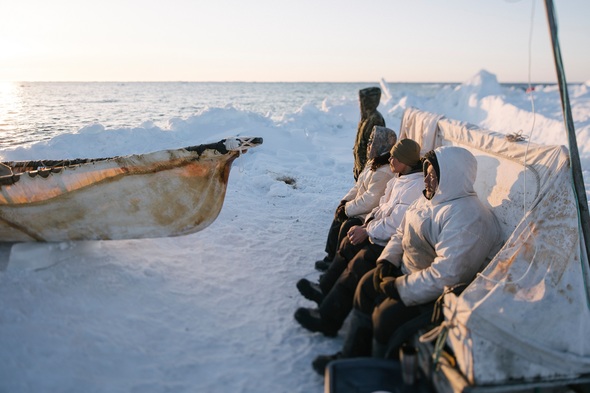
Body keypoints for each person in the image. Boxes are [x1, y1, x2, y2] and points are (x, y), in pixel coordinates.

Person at [311, 146, 503, 375]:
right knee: (365, 286)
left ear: (453, 177)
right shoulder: (430, 200)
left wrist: (399, 287)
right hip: (407, 272)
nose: (428, 181)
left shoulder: (468, 217)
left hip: (435, 295)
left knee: (385, 317)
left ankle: (376, 372)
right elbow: (402, 232)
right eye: (427, 173)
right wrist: (387, 262)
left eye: (434, 176)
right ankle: (352, 356)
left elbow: (447, 274)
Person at [295, 139, 425, 338]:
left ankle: (328, 319)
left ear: (405, 161)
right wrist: (365, 226)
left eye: (395, 157)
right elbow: (381, 207)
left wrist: (367, 231)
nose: (390, 158)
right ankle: (325, 291)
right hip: (380, 234)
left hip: (393, 244)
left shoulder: (413, 186)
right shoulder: (400, 178)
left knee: (360, 263)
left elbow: (395, 224)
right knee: (349, 242)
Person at [315, 126, 398, 271]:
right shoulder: (374, 162)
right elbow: (357, 187)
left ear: (381, 145)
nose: (368, 144)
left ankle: (338, 264)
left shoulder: (384, 171)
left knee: (347, 225)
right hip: (360, 207)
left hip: (368, 213)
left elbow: (370, 200)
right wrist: (344, 202)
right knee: (338, 218)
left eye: (372, 141)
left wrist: (347, 210)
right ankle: (331, 257)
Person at [353, 87, 385, 181]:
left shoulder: (375, 119)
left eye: (364, 99)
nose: (361, 102)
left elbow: (376, 148)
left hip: (367, 169)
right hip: (361, 166)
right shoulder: (366, 117)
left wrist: (369, 168)